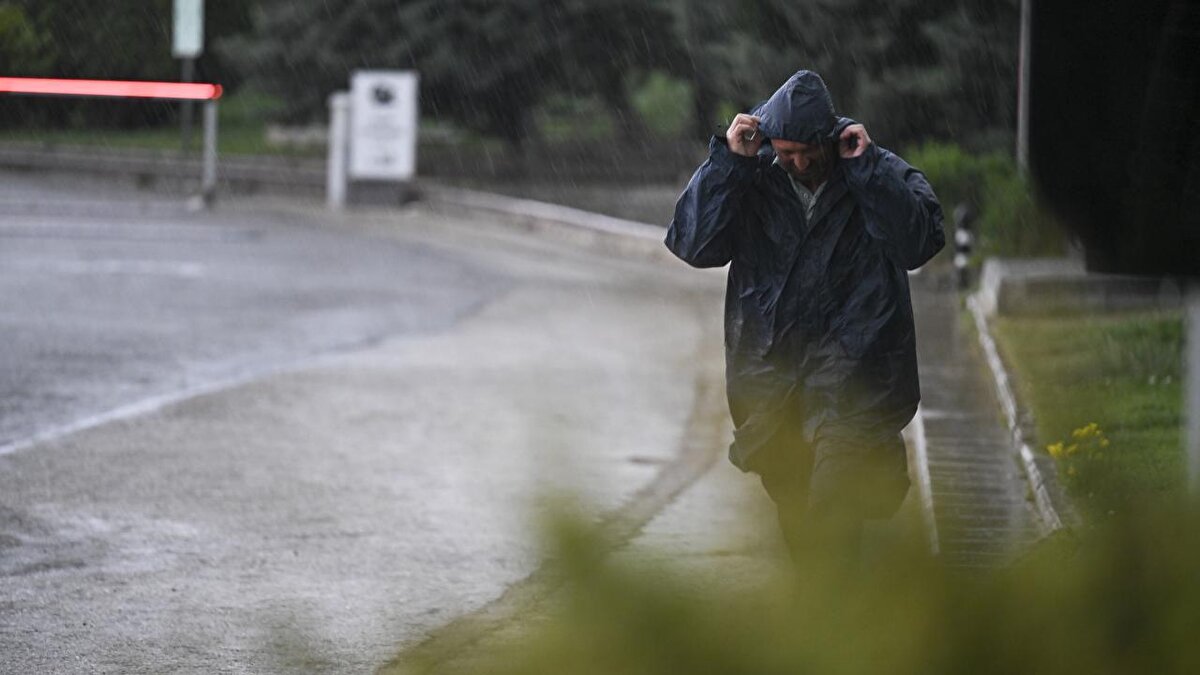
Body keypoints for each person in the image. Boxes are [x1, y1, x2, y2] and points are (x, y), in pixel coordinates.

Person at [664, 70, 945, 564]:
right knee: (796, 511)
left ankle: (831, 619)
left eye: (804, 153)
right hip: (774, 380)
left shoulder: (875, 172)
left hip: (856, 373)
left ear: (828, 141)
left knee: (834, 504)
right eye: (784, 152)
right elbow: (694, 244)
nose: (794, 162)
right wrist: (730, 163)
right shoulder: (754, 182)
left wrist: (868, 172)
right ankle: (829, 618)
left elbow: (918, 243)